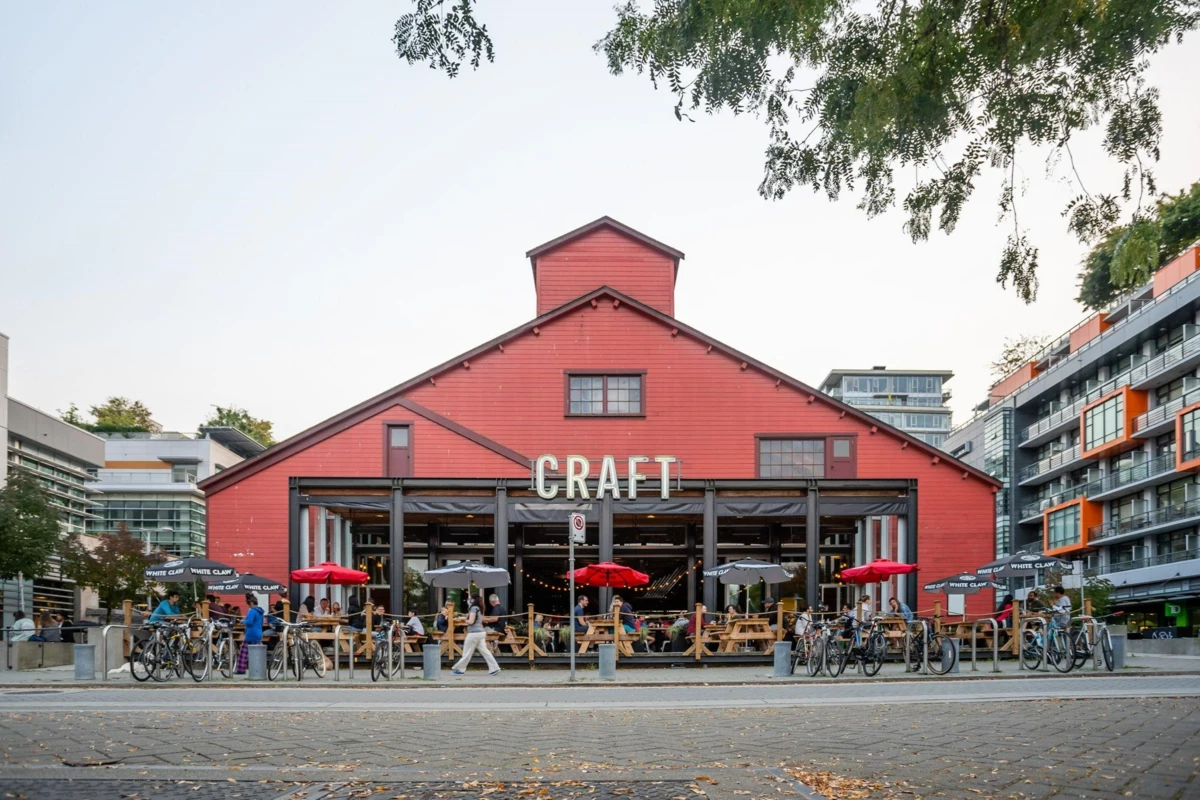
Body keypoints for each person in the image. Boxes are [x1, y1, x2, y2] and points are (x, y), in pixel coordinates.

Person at [450, 594, 501, 676]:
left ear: (473, 600)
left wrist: (462, 620)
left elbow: (471, 621)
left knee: (467, 652)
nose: (468, 600)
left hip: (474, 633)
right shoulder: (478, 608)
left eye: (469, 598)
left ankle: (459, 669)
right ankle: (495, 668)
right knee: (485, 652)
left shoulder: (473, 608)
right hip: (481, 633)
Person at [236, 594, 264, 675]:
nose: (248, 606)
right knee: (256, 655)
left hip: (251, 634)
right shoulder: (260, 611)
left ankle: (241, 670)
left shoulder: (252, 611)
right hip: (258, 633)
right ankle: (257, 671)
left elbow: (249, 622)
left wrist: (242, 621)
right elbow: (260, 623)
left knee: (243, 654)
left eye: (248, 604)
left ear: (251, 603)